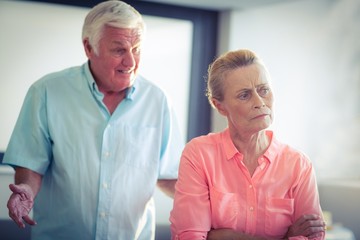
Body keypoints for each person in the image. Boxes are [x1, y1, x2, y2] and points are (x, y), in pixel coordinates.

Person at [3, 1, 184, 239]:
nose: (130, 62)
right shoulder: (46, 92)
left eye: (137, 48)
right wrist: (24, 191)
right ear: (89, 47)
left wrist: (212, 200)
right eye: (119, 50)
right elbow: (30, 164)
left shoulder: (158, 101)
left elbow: (169, 175)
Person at [170, 49, 326, 240]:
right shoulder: (199, 154)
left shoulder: (298, 164)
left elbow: (312, 236)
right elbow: (190, 236)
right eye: (244, 95)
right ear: (219, 106)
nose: (260, 102)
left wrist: (222, 236)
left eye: (264, 90)